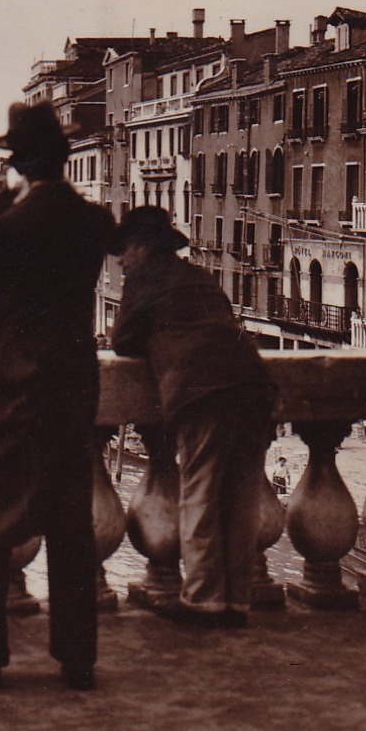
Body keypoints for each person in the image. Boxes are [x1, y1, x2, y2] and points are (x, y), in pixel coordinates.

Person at [0, 102, 114, 691]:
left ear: (15, 164)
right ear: (63, 160)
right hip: (69, 388)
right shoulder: (89, 222)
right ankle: (77, 657)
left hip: (5, 387)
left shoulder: (9, 223)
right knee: (70, 526)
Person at [109, 206, 276, 629]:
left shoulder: (143, 281)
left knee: (200, 493)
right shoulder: (200, 277)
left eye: (124, 251)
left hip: (204, 394)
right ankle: (236, 601)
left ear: (143, 249)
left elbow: (123, 342)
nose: (120, 260)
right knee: (240, 499)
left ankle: (203, 600)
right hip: (253, 386)